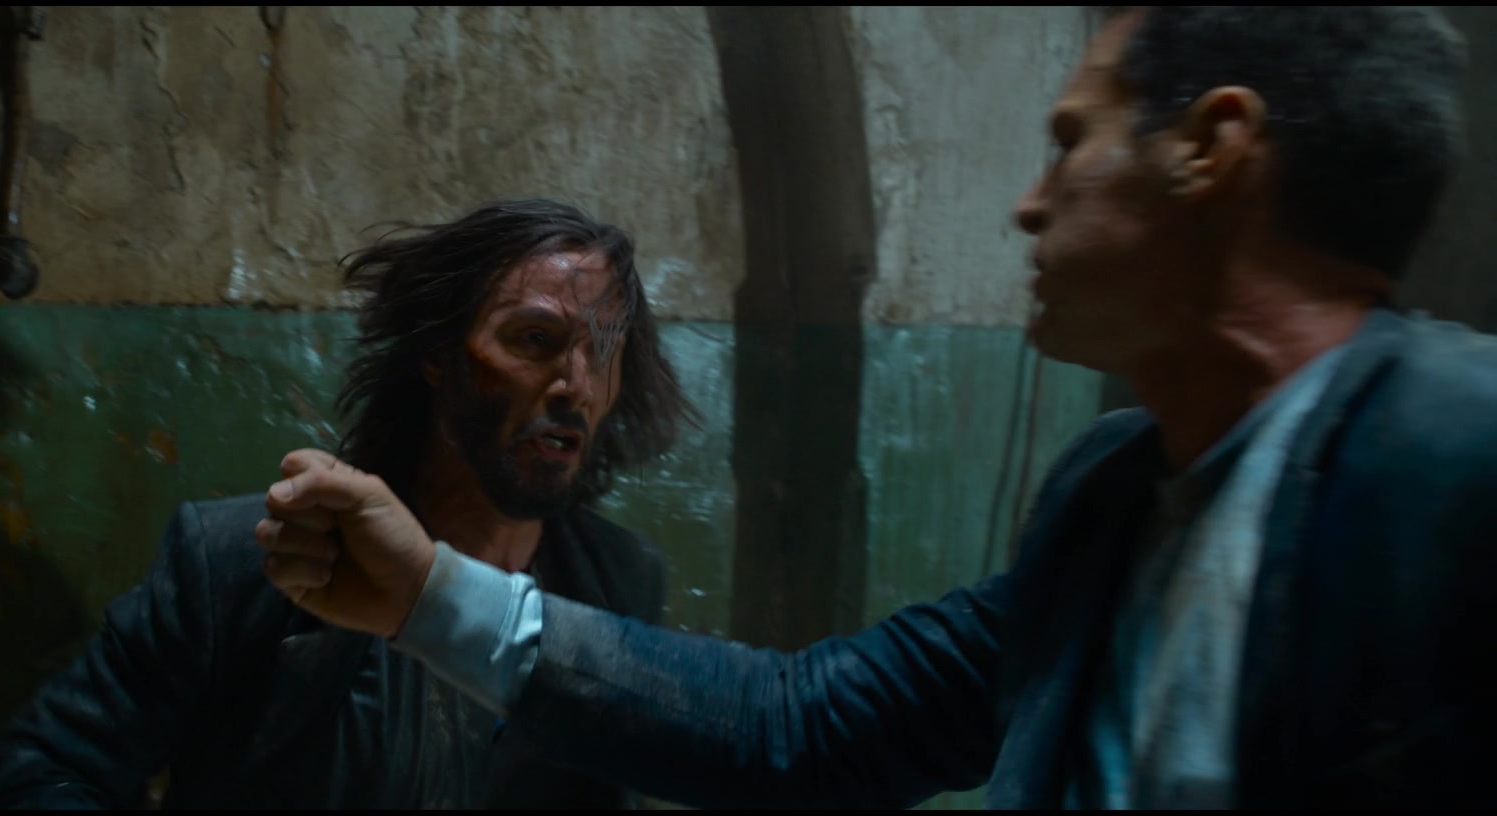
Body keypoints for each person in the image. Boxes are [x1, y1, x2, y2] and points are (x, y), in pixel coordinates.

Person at [254, 6, 1497, 809]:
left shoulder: (1455, 455)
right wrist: (427, 592)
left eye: (1072, 142)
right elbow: (807, 722)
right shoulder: (1115, 499)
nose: (1028, 202)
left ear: (1212, 147)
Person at [0, 198, 697, 808]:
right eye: (535, 339)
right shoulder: (247, 561)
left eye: (604, 352)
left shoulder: (617, 581)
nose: (577, 386)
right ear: (438, 354)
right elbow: (39, 773)